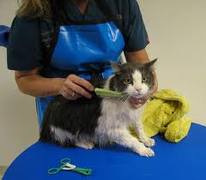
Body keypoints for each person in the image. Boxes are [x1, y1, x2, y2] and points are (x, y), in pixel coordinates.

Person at [7, 0, 158, 125]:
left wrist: (145, 90)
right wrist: (59, 86)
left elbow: (142, 64)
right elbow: (24, 79)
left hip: (114, 102)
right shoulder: (32, 15)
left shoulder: (121, 4)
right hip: (62, 110)